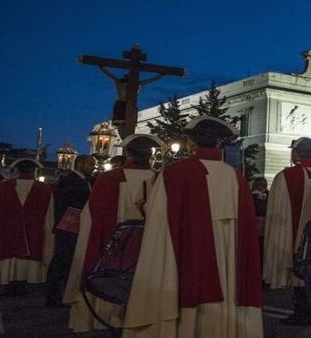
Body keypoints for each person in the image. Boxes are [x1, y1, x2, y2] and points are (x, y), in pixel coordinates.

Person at [122, 117, 262, 337]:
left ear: (191, 143)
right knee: (226, 286)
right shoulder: (235, 176)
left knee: (187, 287)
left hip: (190, 247)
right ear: (219, 144)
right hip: (228, 252)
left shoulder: (175, 172)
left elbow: (159, 217)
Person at [63, 135, 160, 331]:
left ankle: (104, 318)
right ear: (150, 154)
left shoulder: (109, 178)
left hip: (113, 242)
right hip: (149, 242)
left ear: (127, 153)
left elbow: (93, 216)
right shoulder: (160, 178)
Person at [263, 137, 311, 326]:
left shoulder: (285, 176)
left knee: (298, 272)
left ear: (295, 153)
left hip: (292, 233)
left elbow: (276, 210)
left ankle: (303, 312)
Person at [0, 158, 54, 296]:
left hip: (7, 229)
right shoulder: (45, 188)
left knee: (10, 257)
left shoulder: (4, 187)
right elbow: (49, 215)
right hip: (34, 229)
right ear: (35, 171)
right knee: (28, 254)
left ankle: (10, 281)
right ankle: (23, 282)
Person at [46, 155, 95, 307]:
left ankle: (61, 294)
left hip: (70, 226)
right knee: (63, 261)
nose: (93, 167)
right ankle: (54, 296)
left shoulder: (79, 180)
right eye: (90, 164)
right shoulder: (72, 181)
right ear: (80, 164)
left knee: (66, 261)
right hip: (69, 226)